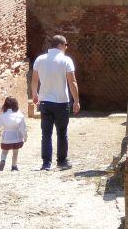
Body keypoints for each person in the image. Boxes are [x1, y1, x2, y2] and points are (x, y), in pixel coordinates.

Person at [31, 35, 80, 171]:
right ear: (61, 45)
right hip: (61, 102)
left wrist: (34, 94)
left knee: (46, 134)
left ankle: (46, 163)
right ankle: (62, 161)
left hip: (45, 102)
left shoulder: (40, 59)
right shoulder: (66, 60)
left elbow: (34, 80)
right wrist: (76, 100)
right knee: (62, 133)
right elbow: (72, 82)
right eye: (66, 45)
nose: (66, 48)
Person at [0, 96, 27, 171]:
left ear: (5, 105)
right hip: (17, 138)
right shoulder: (20, 116)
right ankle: (14, 166)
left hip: (6, 138)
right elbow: (23, 128)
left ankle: (3, 160)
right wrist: (25, 137)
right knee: (15, 152)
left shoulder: (3, 116)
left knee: (4, 151)